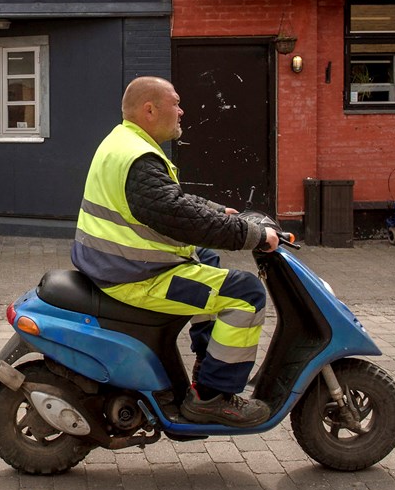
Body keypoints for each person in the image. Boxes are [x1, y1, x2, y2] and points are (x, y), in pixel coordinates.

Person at [71, 76, 278, 428]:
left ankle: (205, 361)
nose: (182, 111)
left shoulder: (127, 142)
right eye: (176, 103)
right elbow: (179, 216)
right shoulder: (138, 157)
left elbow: (171, 203)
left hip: (117, 262)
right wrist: (252, 235)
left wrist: (216, 210)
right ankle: (213, 397)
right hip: (135, 275)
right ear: (150, 110)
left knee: (207, 259)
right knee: (245, 293)